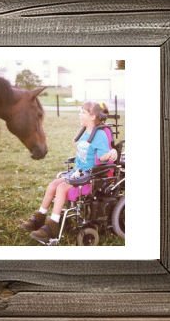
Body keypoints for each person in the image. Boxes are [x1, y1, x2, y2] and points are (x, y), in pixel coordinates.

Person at [20, 101, 118, 242]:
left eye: (83, 112)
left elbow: (102, 157)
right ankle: (39, 217)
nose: (80, 114)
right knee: (53, 184)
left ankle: (53, 225)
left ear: (92, 117)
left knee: (61, 188)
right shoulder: (85, 133)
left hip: (90, 176)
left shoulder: (100, 135)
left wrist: (110, 153)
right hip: (78, 173)